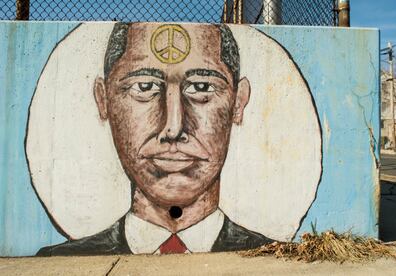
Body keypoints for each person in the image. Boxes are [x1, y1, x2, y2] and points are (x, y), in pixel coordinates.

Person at [37, 22, 273, 256]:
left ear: (238, 102)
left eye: (202, 87)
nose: (173, 128)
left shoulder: (271, 257)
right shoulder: (60, 260)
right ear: (103, 99)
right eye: (144, 87)